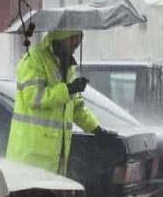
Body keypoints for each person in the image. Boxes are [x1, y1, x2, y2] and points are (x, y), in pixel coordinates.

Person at [6, 29, 113, 175]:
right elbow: (34, 98)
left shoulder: (67, 66)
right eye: (72, 37)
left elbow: (76, 108)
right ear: (60, 36)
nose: (77, 42)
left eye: (79, 37)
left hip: (55, 159)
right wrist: (68, 89)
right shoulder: (33, 59)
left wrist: (96, 129)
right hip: (30, 159)